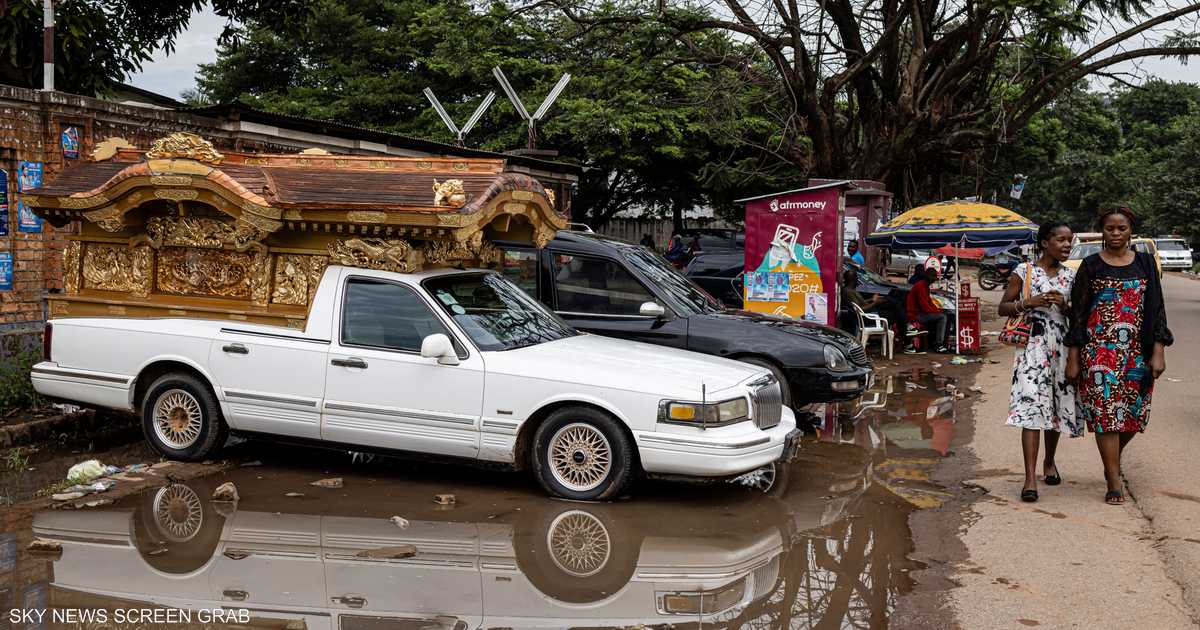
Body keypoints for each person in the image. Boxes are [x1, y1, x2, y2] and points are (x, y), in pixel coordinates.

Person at [1065, 207, 1172, 505]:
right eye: (1109, 228)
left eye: (1121, 228)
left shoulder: (1146, 264)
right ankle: (1113, 478)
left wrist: (1159, 350)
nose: (1115, 233)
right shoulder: (1089, 266)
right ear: (1102, 231)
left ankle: (1112, 458)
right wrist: (1074, 356)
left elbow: (1158, 308)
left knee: (1133, 415)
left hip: (1138, 351)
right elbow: (1078, 314)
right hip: (1098, 351)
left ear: (1130, 231)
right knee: (1106, 415)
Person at [1000, 222, 1081, 503]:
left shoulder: (1071, 277)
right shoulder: (1023, 272)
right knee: (1031, 409)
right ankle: (1029, 478)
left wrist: (1063, 305)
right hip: (1031, 348)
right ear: (1045, 243)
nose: (1067, 245)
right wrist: (1029, 302)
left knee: (1055, 407)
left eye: (1070, 240)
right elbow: (1003, 307)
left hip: (1060, 347)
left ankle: (1050, 461)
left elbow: (1078, 317)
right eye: (1061, 240)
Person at [841, 267, 909, 351]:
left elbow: (861, 304)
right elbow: (861, 308)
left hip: (869, 312)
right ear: (853, 279)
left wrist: (872, 299)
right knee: (896, 311)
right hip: (868, 317)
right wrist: (875, 303)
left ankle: (904, 334)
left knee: (894, 304)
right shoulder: (848, 292)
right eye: (856, 278)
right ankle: (905, 335)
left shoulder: (850, 290)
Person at [907, 265, 950, 353]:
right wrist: (938, 312)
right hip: (916, 315)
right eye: (933, 276)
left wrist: (938, 310)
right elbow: (925, 307)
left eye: (936, 277)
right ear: (928, 276)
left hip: (922, 313)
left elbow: (930, 303)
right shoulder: (920, 286)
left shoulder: (925, 286)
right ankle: (939, 344)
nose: (935, 279)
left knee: (947, 315)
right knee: (942, 317)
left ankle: (944, 343)